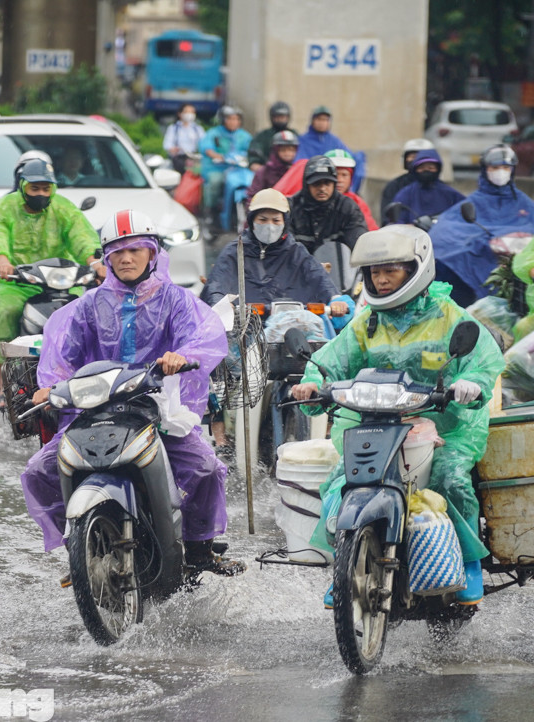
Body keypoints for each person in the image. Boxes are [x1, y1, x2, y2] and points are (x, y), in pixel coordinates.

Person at [292, 227, 505, 606]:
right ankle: (347, 566)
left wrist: (471, 383)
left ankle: (468, 560)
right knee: (341, 483)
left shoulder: (449, 316)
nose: (381, 279)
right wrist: (312, 384)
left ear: (416, 270)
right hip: (377, 424)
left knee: (451, 479)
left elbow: (483, 360)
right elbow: (330, 361)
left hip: (447, 425)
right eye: (375, 272)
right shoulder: (367, 321)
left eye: (390, 270)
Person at [22, 209, 242, 573]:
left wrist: (183, 356)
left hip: (155, 408)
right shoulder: (88, 305)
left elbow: (202, 336)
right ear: (107, 258)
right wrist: (49, 387)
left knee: (205, 468)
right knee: (38, 471)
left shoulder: (176, 300)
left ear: (152, 253)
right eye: (117, 252)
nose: (126, 258)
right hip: (95, 408)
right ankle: (80, 543)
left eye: (135, 250)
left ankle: (199, 550)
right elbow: (61, 356)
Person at [0, 158, 102, 367]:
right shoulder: (4, 207)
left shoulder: (63, 208)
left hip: (60, 282)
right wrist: (2, 261)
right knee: (6, 311)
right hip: (14, 283)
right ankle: (3, 373)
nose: (41, 193)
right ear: (23, 186)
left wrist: (95, 264)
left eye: (46, 188)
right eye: (35, 188)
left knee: (84, 316)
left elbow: (81, 237)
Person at [202, 189, 349, 313]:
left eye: (276, 220)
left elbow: (319, 278)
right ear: (252, 221)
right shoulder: (235, 251)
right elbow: (216, 285)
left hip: (294, 325)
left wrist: (335, 299)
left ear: (285, 222)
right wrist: (221, 305)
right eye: (263, 220)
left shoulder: (296, 252)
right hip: (244, 328)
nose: (270, 226)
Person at [430, 144, 534, 306]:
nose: (501, 172)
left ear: (512, 170)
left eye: (506, 167)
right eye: (495, 167)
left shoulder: (523, 203)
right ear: (485, 169)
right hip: (481, 275)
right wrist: (481, 242)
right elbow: (444, 232)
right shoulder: (474, 202)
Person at [287, 155, 367, 256]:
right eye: (316, 183)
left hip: (338, 264)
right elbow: (285, 248)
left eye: (327, 183)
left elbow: (359, 242)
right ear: (307, 185)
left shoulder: (347, 207)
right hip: (299, 264)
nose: (322, 189)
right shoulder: (291, 207)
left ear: (334, 184)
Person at [197, 105, 252, 228]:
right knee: (215, 182)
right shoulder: (214, 133)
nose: (233, 122)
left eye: (236, 119)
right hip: (217, 168)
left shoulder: (244, 135)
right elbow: (207, 148)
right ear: (223, 120)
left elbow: (251, 150)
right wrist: (218, 156)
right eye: (230, 119)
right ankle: (211, 213)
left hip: (238, 169)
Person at [390, 149, 465, 225]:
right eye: (421, 168)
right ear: (415, 169)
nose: (426, 171)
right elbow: (396, 221)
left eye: (430, 168)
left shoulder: (451, 194)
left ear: (438, 169)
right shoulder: (405, 194)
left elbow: (463, 218)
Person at [380, 138, 435, 218]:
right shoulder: (395, 186)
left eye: (422, 157)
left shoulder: (445, 191)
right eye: (413, 156)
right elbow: (387, 217)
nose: (417, 160)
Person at [324, 149, 378, 231]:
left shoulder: (358, 203)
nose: (340, 180)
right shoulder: (315, 200)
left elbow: (371, 231)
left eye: (344, 175)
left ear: (351, 178)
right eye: (335, 175)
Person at [246, 130, 298, 200]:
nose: (287, 153)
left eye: (291, 150)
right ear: (275, 151)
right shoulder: (265, 171)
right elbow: (253, 196)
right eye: (283, 150)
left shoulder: (297, 171)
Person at [247, 101, 297, 170]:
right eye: (278, 117)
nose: (280, 120)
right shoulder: (262, 136)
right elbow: (254, 160)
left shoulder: (294, 135)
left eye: (283, 117)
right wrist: (265, 171)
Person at [163, 103, 205, 174]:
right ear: (180, 114)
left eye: (192, 112)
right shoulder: (173, 128)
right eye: (187, 112)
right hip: (179, 159)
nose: (189, 114)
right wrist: (173, 149)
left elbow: (204, 143)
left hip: (194, 158)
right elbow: (167, 144)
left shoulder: (198, 129)